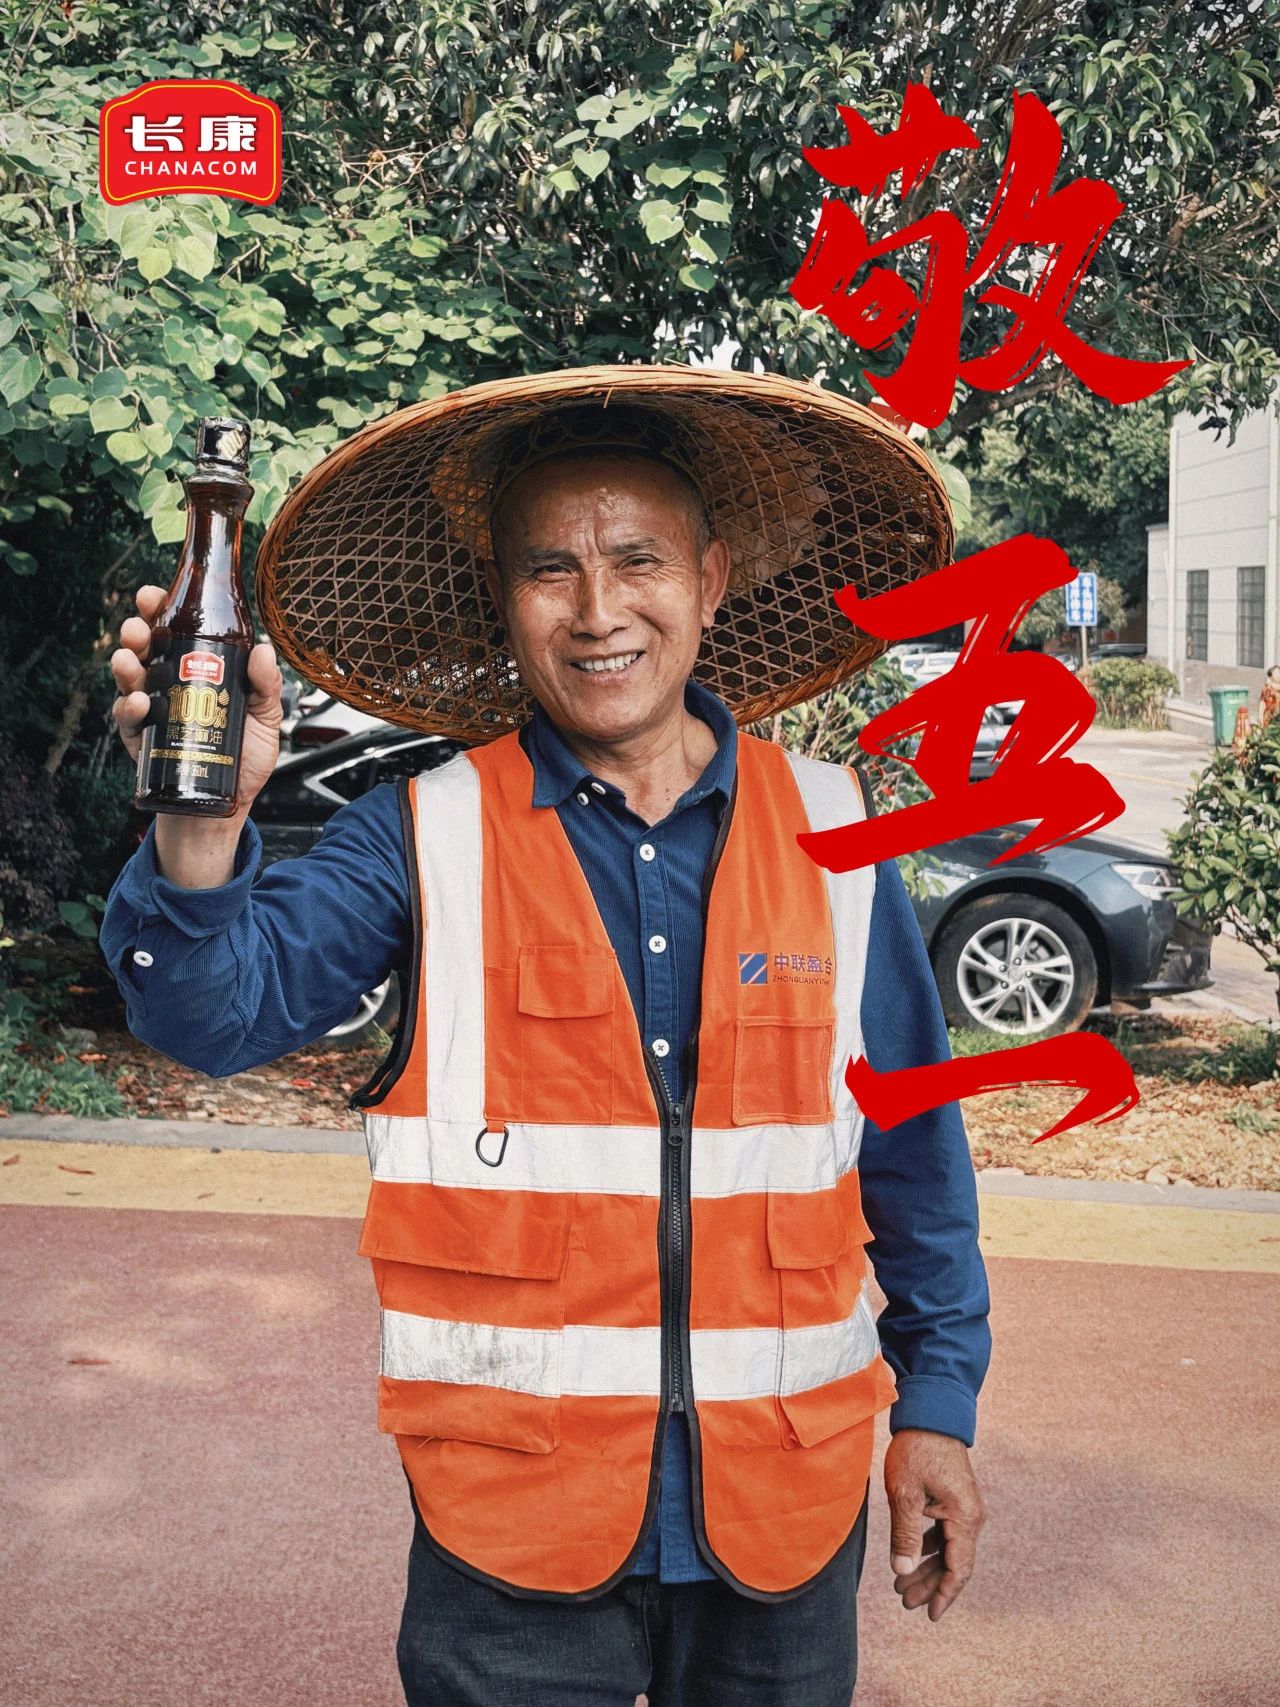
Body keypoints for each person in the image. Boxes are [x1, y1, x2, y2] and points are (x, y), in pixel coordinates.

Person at [102, 368, 990, 1706]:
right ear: (502, 601)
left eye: (638, 560)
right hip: (509, 1532)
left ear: (710, 578)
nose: (596, 611)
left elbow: (916, 1157)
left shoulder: (837, 835)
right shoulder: (419, 835)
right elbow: (209, 1016)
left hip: (783, 1518)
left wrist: (937, 1406)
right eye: (548, 570)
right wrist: (202, 823)